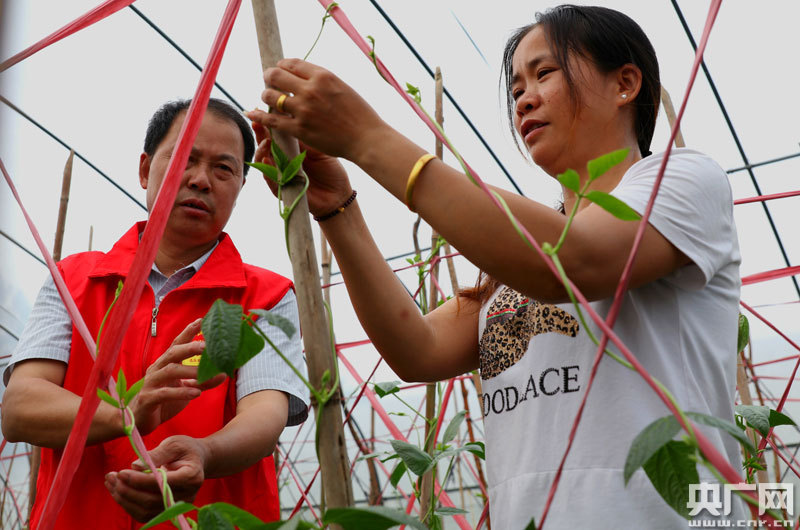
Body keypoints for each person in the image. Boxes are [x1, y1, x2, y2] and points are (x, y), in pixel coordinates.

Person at [246, 5, 743, 528]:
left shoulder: (683, 179)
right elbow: (417, 349)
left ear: (625, 83)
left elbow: (578, 260)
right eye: (515, 89)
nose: (524, 98)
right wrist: (337, 208)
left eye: (544, 73)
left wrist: (368, 138)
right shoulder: (520, 259)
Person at [2, 98, 309, 528]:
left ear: (241, 186)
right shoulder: (73, 280)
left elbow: (265, 415)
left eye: (224, 169)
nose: (201, 180)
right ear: (146, 169)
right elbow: (19, 407)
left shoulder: (266, 295)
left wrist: (204, 453)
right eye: (185, 158)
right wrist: (125, 414)